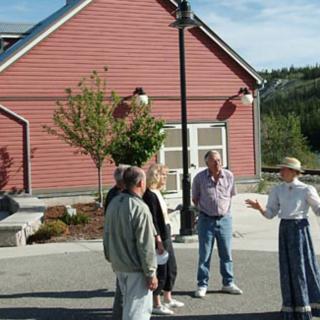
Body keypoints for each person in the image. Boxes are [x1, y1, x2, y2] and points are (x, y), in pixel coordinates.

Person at [245, 157, 320, 320]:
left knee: (302, 265)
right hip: (285, 228)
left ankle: (307, 305)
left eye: (284, 169)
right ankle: (292, 307)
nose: (281, 172)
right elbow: (270, 214)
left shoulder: (306, 189)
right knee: (287, 267)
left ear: (293, 171)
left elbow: (317, 209)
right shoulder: (277, 190)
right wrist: (260, 208)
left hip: (300, 228)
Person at [103, 166, 158, 320]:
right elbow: (145, 244)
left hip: (119, 265)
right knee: (137, 313)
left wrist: (110, 257)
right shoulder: (140, 208)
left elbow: (106, 234)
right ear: (140, 183)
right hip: (136, 268)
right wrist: (151, 273)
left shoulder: (114, 203)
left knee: (126, 309)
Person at [192, 150, 242, 298]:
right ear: (207, 163)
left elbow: (231, 195)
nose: (217, 163)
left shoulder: (229, 176)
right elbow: (195, 198)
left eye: (219, 160)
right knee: (205, 254)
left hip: (224, 219)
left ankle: (228, 283)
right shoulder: (199, 178)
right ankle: (202, 284)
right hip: (206, 219)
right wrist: (205, 209)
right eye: (214, 161)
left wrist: (223, 210)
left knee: (226, 253)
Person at [143, 164, 184, 315]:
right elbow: (153, 220)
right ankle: (156, 303)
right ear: (156, 175)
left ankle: (168, 297)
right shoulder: (149, 195)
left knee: (171, 267)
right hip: (159, 236)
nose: (166, 178)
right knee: (161, 270)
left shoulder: (158, 192)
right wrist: (158, 240)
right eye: (164, 175)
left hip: (166, 232)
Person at [104, 164, 129, 320]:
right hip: (121, 244)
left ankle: (121, 312)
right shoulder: (115, 196)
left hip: (118, 244)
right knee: (122, 283)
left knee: (123, 283)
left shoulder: (116, 194)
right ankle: (119, 314)